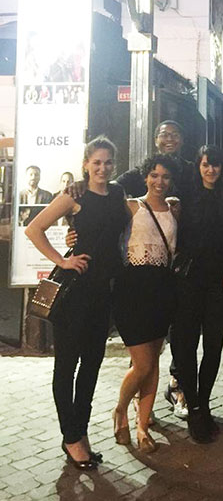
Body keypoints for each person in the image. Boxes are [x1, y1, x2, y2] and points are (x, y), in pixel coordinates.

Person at [25, 136, 129, 470]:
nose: (102, 168)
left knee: (92, 364)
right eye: (96, 162)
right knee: (67, 366)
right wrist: (63, 258)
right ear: (86, 163)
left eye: (108, 162)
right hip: (76, 291)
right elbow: (34, 228)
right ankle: (71, 437)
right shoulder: (74, 195)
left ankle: (79, 431)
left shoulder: (117, 194)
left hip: (103, 291)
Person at [116, 120, 194, 419]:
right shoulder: (137, 175)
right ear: (155, 139)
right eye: (164, 134)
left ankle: (176, 387)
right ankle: (130, 407)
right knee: (143, 357)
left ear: (182, 139)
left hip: (173, 271)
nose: (169, 139)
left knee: (175, 339)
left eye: (175, 134)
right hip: (136, 280)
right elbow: (108, 198)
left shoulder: (187, 172)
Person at [112, 154, 180, 453]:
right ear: (145, 177)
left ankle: (142, 427)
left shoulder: (175, 209)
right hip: (132, 289)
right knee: (141, 364)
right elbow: (100, 229)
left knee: (153, 362)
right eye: (154, 175)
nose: (159, 181)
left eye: (165, 176)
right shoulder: (130, 207)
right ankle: (119, 409)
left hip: (162, 289)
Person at [170, 146, 223, 444]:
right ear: (198, 166)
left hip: (216, 285)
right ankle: (193, 405)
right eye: (206, 165)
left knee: (213, 347)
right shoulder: (183, 198)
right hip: (186, 283)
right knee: (185, 347)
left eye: (216, 166)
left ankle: (204, 402)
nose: (211, 170)